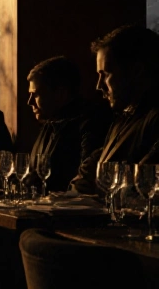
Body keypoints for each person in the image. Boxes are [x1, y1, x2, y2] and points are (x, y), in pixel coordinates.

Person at [70, 25, 159, 195]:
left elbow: (140, 187)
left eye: (106, 74)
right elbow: (89, 174)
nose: (98, 86)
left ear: (137, 71)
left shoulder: (152, 119)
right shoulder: (124, 117)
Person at [25, 57, 111, 194]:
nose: (29, 102)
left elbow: (86, 181)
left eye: (35, 95)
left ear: (60, 93)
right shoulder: (50, 123)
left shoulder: (91, 123)